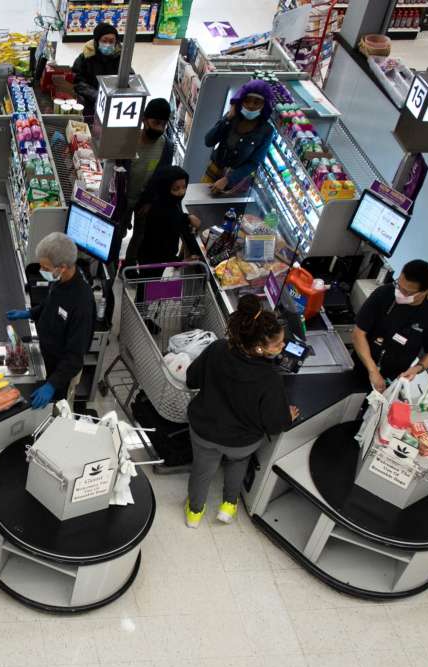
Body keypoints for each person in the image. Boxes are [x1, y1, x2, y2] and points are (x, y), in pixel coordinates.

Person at [185, 295, 299, 528]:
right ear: (259, 347)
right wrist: (288, 415)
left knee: (201, 471)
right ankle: (228, 506)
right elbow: (275, 423)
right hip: (241, 442)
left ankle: (194, 514)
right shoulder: (270, 379)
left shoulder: (217, 349)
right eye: (278, 344)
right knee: (237, 464)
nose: (283, 346)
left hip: (205, 431)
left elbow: (191, 379)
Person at [5, 233, 95, 410]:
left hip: (62, 371)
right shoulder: (60, 280)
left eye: (45, 267)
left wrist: (52, 384)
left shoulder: (82, 303)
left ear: (62, 267)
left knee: (55, 411)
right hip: (45, 354)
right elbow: (50, 304)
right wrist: (29, 313)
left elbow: (75, 357)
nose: (41, 270)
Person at [352, 259, 428, 393]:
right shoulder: (384, 294)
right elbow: (358, 333)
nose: (400, 293)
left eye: (407, 292)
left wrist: (418, 368)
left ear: (425, 291)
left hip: (393, 377)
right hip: (362, 364)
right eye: (399, 285)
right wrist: (372, 370)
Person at [122, 98, 176, 258]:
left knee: (140, 237)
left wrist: (151, 201)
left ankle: (129, 268)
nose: (160, 128)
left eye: (163, 124)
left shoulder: (167, 146)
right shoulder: (129, 140)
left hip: (146, 201)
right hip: (124, 199)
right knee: (118, 233)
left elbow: (162, 177)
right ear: (144, 120)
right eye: (156, 122)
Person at [202, 79, 275, 196]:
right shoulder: (232, 118)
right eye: (247, 101)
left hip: (237, 181)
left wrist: (228, 179)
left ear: (264, 105)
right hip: (214, 170)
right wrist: (228, 118)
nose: (251, 105)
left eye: (257, 102)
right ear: (241, 101)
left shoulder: (266, 131)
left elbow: (254, 163)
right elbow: (208, 141)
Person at [132, 165, 202, 266]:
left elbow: (176, 217)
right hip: (153, 262)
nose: (181, 192)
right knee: (150, 281)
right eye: (176, 189)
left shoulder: (169, 202)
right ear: (165, 189)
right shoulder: (159, 212)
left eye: (184, 187)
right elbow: (159, 249)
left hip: (154, 257)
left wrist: (188, 217)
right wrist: (180, 262)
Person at [71, 22, 122, 121]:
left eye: (112, 41)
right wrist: (97, 95)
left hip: (113, 106)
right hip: (89, 103)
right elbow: (77, 80)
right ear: (97, 41)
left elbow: (129, 78)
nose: (108, 44)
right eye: (104, 41)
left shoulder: (120, 59)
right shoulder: (86, 57)